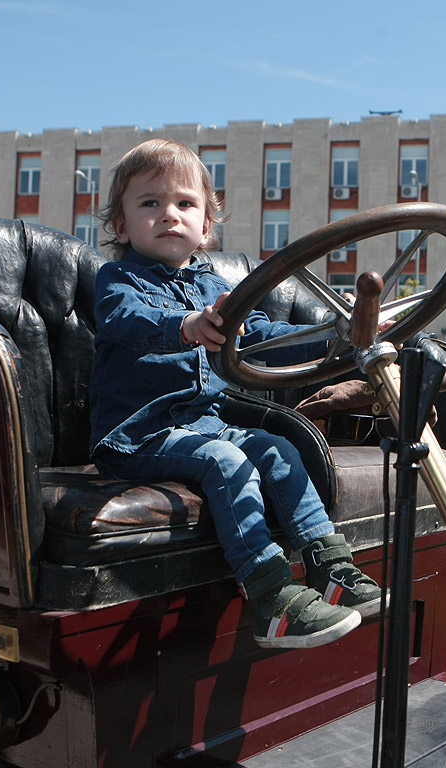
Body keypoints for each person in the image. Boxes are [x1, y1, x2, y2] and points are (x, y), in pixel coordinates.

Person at [89, 139, 381, 650]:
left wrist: (339, 333)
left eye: (184, 203)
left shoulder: (213, 285)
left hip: (205, 425)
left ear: (206, 227)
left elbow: (265, 336)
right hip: (137, 436)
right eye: (150, 203)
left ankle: (331, 569)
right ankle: (269, 596)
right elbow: (127, 321)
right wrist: (186, 326)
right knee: (225, 460)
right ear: (121, 225)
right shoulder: (118, 279)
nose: (169, 215)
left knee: (278, 449)